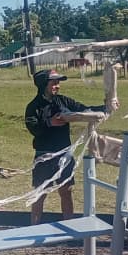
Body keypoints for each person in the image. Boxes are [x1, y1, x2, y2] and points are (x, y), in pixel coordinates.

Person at [24, 69, 98, 222]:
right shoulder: (33, 107)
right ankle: (33, 227)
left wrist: (106, 107)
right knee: (40, 194)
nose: (57, 86)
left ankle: (68, 227)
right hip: (44, 156)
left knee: (66, 191)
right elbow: (33, 128)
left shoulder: (64, 101)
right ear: (43, 84)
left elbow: (84, 109)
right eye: (54, 83)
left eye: (58, 83)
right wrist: (49, 122)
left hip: (64, 154)